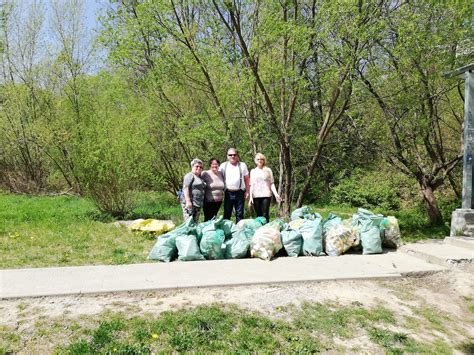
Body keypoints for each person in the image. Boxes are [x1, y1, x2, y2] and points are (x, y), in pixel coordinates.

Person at [248, 153, 282, 222]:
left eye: (261, 159)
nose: (260, 160)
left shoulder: (268, 170)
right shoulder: (253, 171)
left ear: (264, 160)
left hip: (266, 195)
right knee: (258, 215)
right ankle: (259, 230)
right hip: (256, 196)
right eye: (258, 159)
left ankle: (266, 229)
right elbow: (251, 185)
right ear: (255, 161)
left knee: (265, 213)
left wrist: (276, 194)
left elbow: (272, 183)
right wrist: (250, 197)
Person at [220, 148, 250, 223]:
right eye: (230, 155)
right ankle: (226, 231)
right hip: (228, 193)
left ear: (237, 156)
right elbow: (218, 178)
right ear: (227, 156)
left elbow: (247, 179)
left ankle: (239, 231)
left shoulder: (242, 165)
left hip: (240, 192)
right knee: (227, 213)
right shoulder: (223, 165)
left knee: (240, 213)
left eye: (234, 155)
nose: (232, 156)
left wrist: (247, 191)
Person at [181, 158, 206, 223]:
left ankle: (192, 233)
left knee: (195, 222)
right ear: (192, 166)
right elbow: (185, 188)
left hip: (197, 204)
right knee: (188, 222)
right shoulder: (189, 175)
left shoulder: (199, 177)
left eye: (201, 167)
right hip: (190, 203)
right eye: (197, 166)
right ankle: (187, 233)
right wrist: (188, 201)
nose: (199, 168)